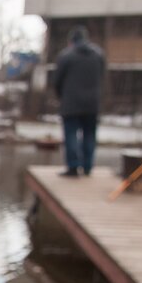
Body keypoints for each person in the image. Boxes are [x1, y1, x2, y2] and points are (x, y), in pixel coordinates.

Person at [52, 26, 105, 177]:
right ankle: (87, 167)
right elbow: (101, 77)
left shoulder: (66, 56)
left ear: (71, 41)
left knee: (71, 135)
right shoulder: (98, 55)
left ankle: (73, 167)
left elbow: (57, 81)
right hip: (92, 104)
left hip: (71, 103)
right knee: (89, 135)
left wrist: (61, 96)